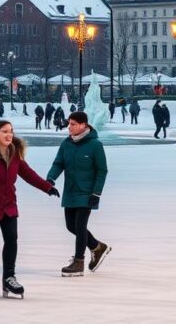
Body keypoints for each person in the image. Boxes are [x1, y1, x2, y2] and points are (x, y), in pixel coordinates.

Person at [0, 120, 60, 299]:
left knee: (12, 239)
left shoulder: (14, 153)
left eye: (11, 131)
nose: (9, 135)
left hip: (8, 204)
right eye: (5, 131)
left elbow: (28, 174)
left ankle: (9, 278)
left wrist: (47, 187)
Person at [46, 111, 111, 277]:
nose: (69, 127)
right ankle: (97, 246)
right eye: (69, 124)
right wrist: (50, 179)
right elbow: (58, 163)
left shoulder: (95, 145)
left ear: (83, 125)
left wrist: (96, 193)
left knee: (80, 226)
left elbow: (102, 171)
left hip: (87, 193)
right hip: (70, 191)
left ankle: (78, 262)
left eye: (73, 124)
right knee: (70, 226)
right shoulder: (66, 143)